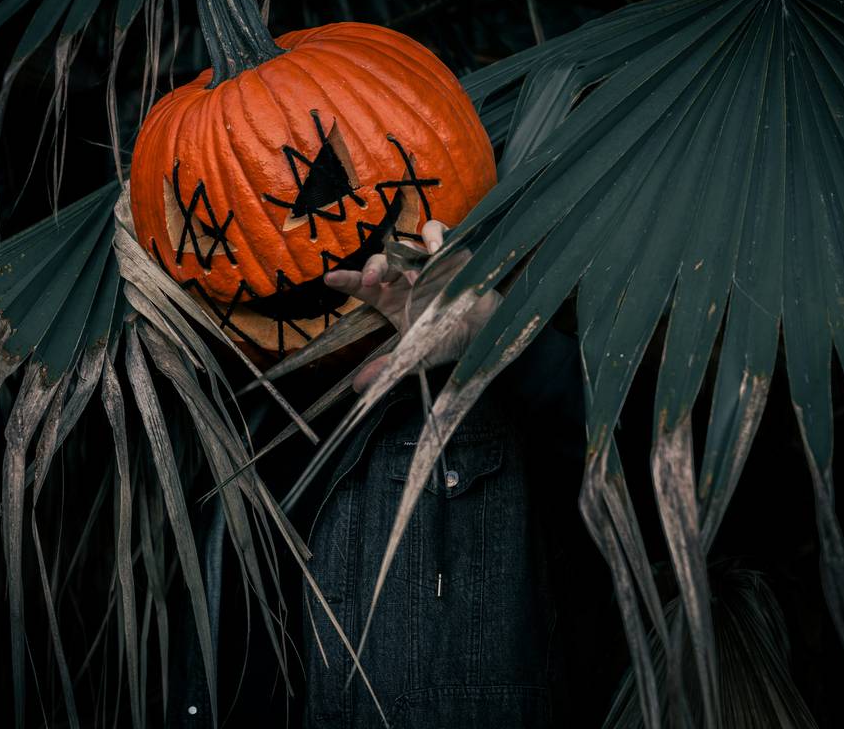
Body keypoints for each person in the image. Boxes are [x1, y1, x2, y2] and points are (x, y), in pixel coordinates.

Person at [170, 222, 590, 727]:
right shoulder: (220, 414)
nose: (294, 215)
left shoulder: (501, 401)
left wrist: (501, 341)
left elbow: (643, 490)